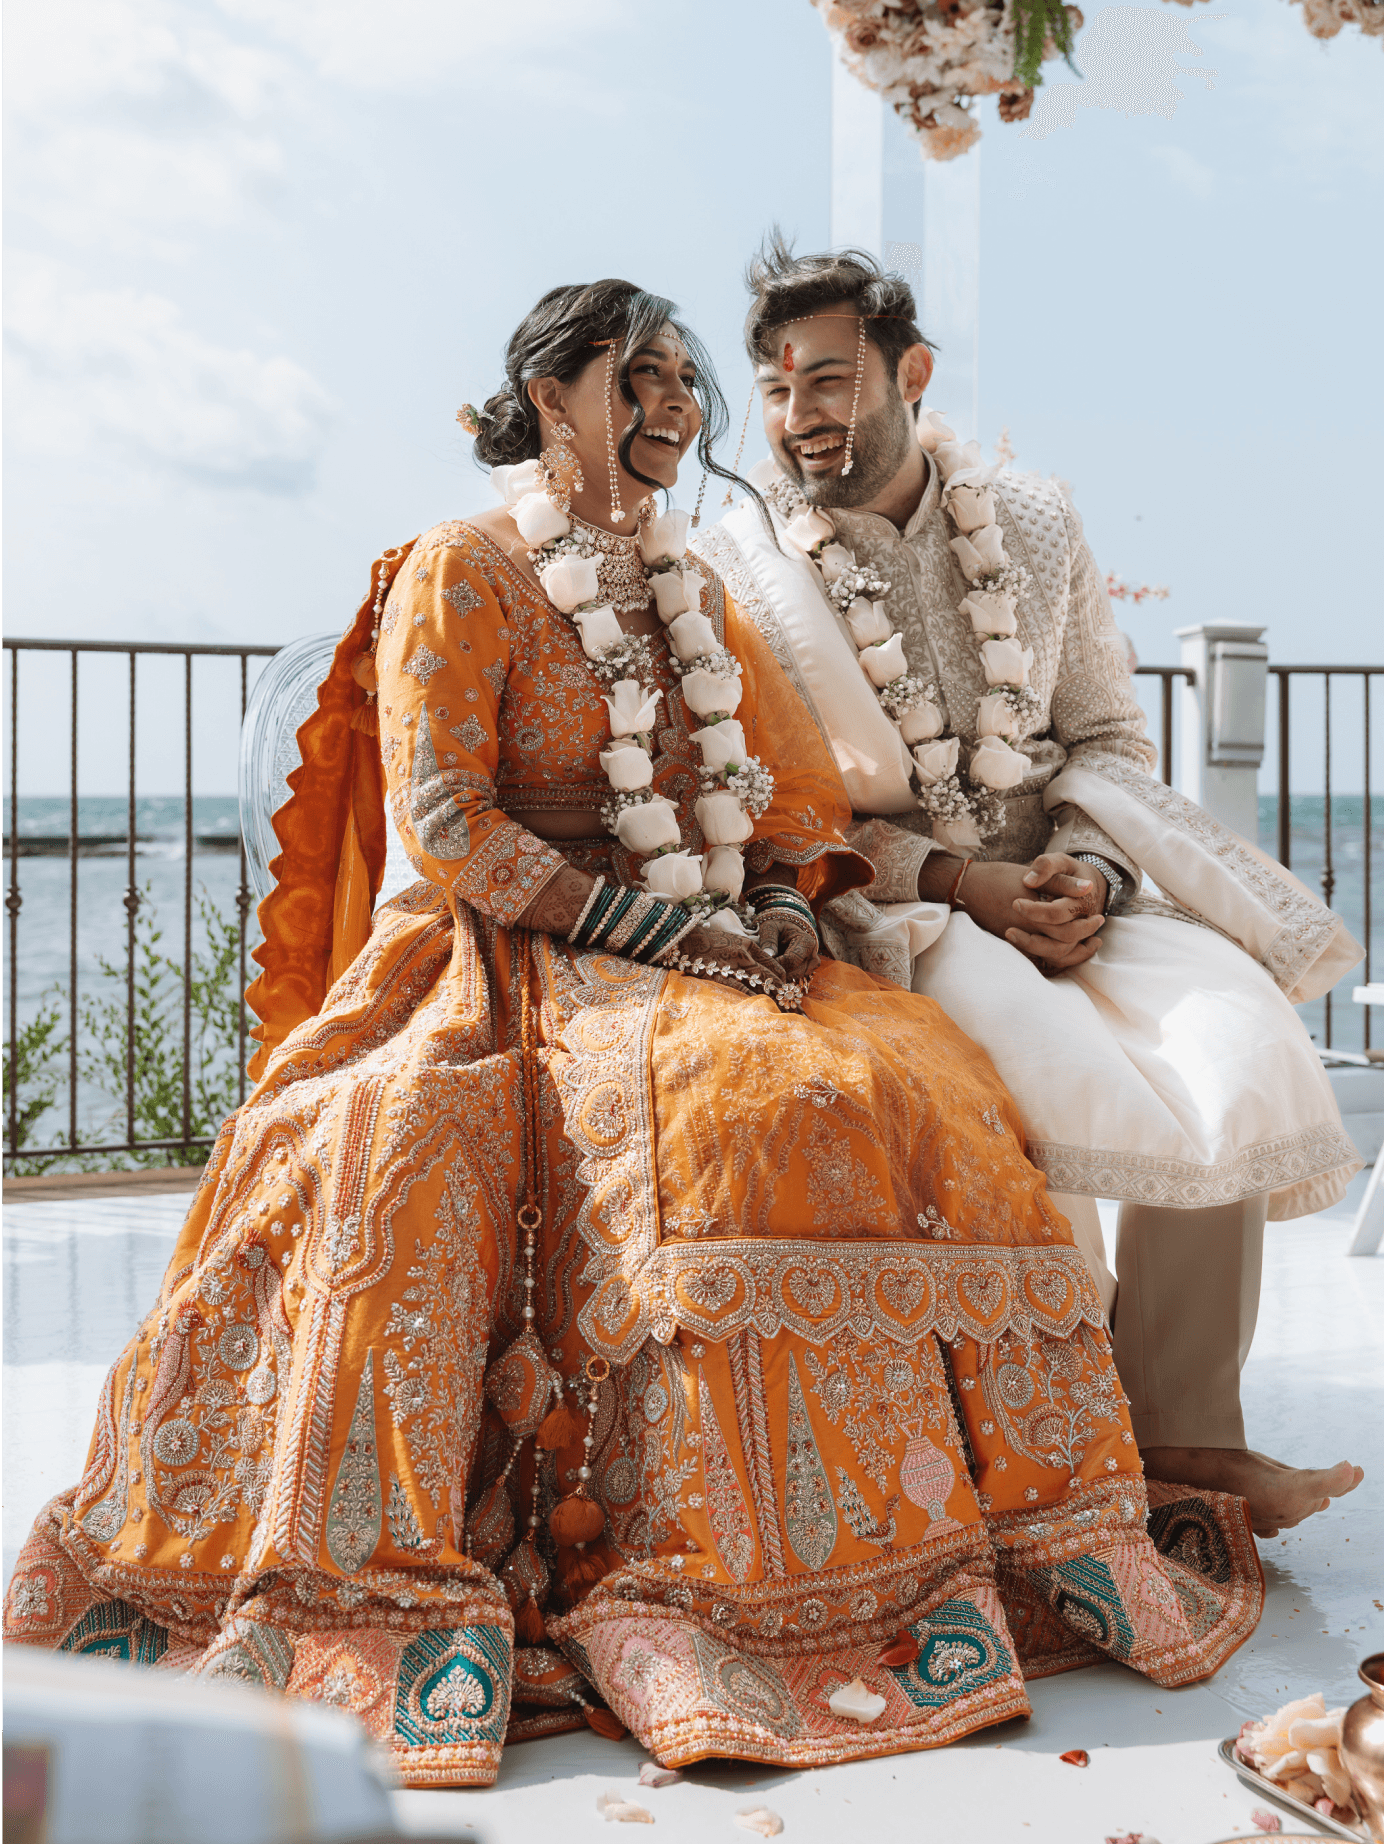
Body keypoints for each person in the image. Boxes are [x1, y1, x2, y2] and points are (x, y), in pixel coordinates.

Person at [5, 279, 1264, 1785]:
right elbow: (449, 821)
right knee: (425, 1132)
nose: (677, 403)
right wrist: (664, 931)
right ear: (553, 395)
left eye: (684, 379)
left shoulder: (693, 586)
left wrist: (783, 905)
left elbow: (785, 800)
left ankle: (921, 1541)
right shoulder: (463, 567)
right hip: (509, 948)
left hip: (708, 938)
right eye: (641, 375)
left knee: (897, 1075)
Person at [694, 239, 1366, 1540]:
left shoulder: (1037, 523)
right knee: (1044, 1062)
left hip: (1068, 878)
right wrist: (965, 882)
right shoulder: (744, 573)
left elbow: (1108, 734)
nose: (798, 416)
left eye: (828, 380)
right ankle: (1072, 1452)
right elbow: (784, 815)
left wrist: (1089, 871)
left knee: (1232, 1038)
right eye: (776, 390)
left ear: (912, 375)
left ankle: (1186, 1433)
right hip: (897, 903)